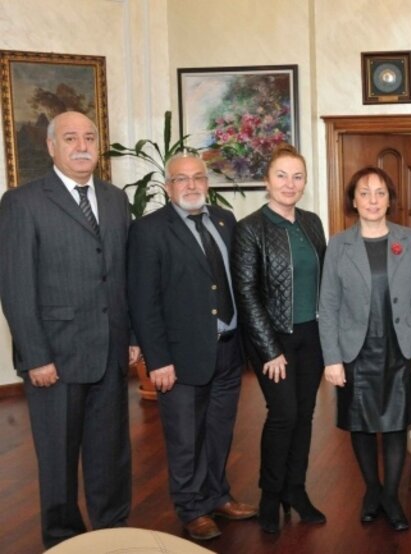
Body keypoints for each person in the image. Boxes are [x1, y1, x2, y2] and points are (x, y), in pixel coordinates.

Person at [0, 111, 135, 548]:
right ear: (52, 146)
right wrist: (35, 355)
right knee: (58, 458)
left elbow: (122, 276)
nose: (82, 145)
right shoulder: (23, 202)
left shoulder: (116, 200)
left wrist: (131, 336)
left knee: (110, 453)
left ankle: (112, 532)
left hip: (110, 350)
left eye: (90, 137)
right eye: (71, 137)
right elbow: (16, 286)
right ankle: (63, 540)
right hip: (54, 357)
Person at [128, 154, 256, 541]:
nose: (191, 185)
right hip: (180, 358)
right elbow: (142, 300)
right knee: (185, 437)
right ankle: (191, 507)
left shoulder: (224, 221)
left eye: (198, 177)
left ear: (207, 182)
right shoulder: (149, 230)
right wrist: (158, 359)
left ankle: (218, 495)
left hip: (229, 350)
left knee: (219, 431)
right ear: (168, 186)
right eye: (181, 179)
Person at [319, 167, 411, 532]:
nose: (372, 200)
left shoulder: (408, 238)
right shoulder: (339, 244)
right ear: (353, 200)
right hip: (357, 352)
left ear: (390, 199)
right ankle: (372, 491)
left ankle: (392, 496)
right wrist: (332, 358)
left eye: (380, 192)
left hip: (400, 350)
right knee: (362, 426)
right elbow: (329, 305)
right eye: (365, 193)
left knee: (397, 425)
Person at [233, 144, 328, 533]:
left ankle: (296, 489)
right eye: (282, 176)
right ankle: (270, 496)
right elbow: (246, 292)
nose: (290, 184)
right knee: (284, 415)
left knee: (304, 416)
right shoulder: (250, 228)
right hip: (274, 340)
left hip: (312, 336)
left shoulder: (312, 222)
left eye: (298, 176)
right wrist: (269, 349)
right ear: (267, 181)